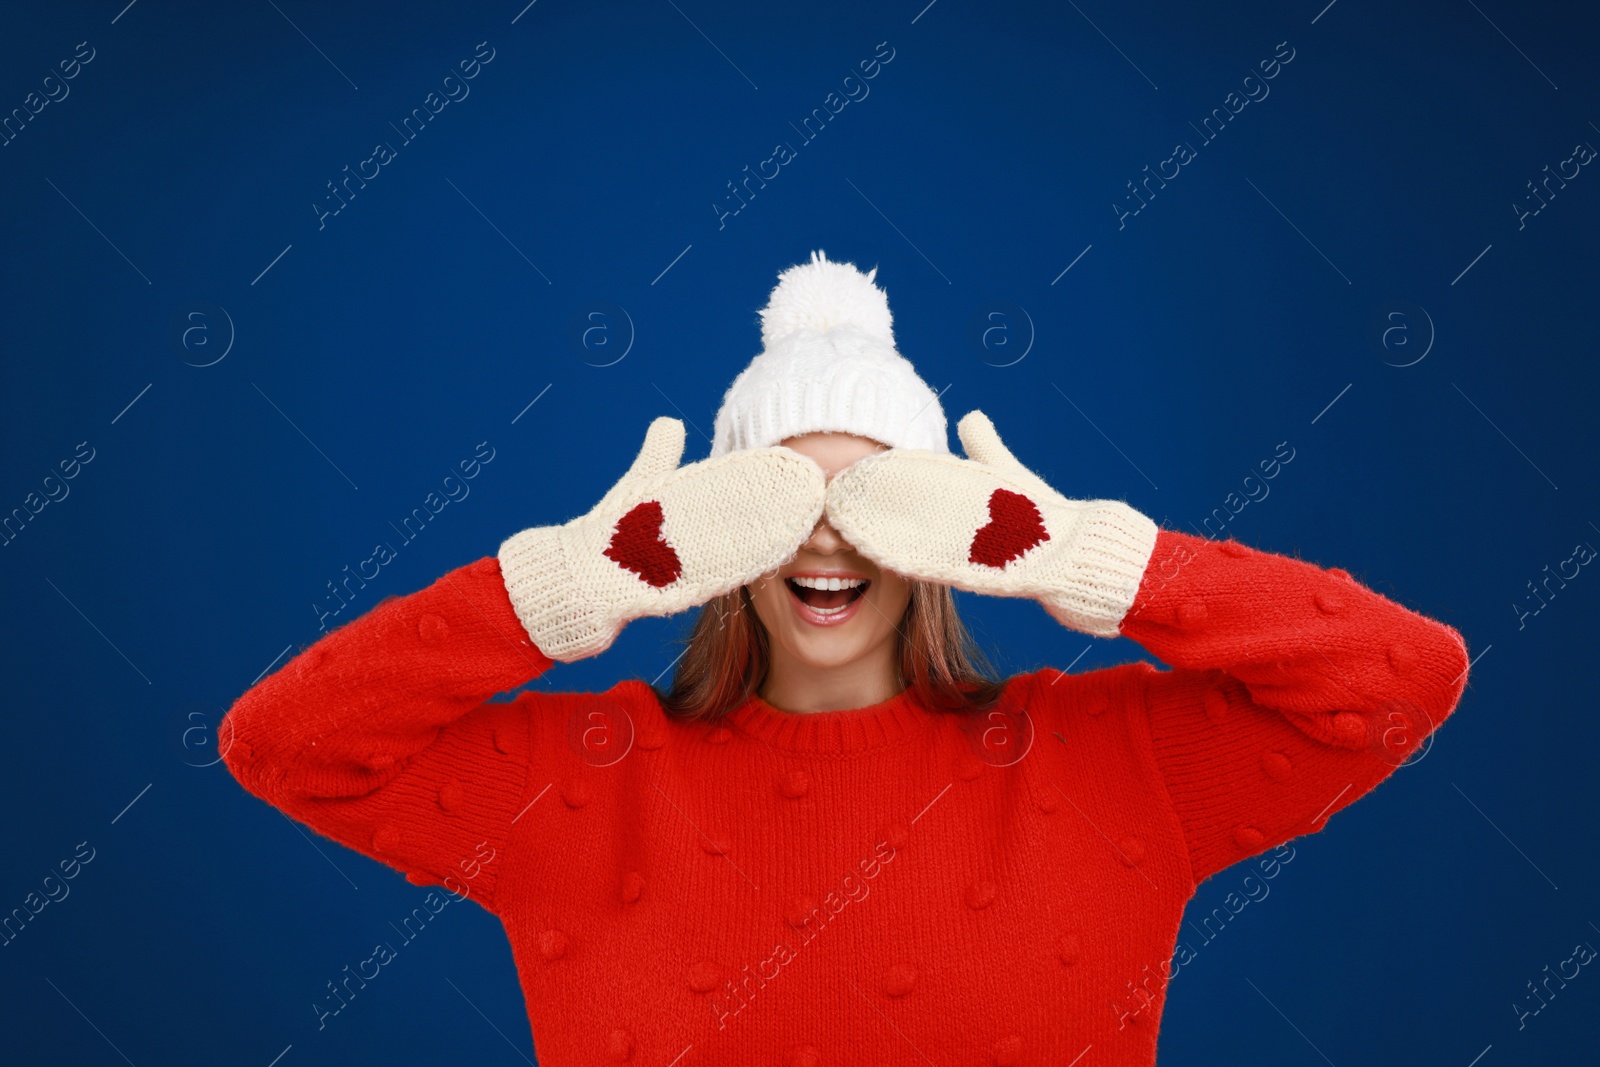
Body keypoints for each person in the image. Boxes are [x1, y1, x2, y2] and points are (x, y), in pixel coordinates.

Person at [220, 250, 1472, 1066]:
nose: (826, 532)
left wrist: (1093, 560)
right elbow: (283, 745)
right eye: (780, 495)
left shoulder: (1112, 759)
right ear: (709, 533)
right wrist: (560, 588)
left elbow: (1400, 677)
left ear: (954, 528)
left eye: (875, 492)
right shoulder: (582, 777)